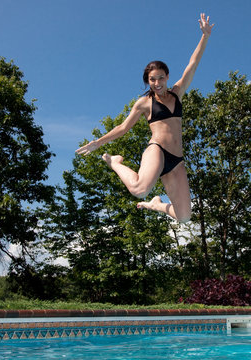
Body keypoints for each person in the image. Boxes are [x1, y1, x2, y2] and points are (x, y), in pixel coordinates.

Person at [76, 13, 214, 223]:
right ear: (148, 81)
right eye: (152, 79)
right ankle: (114, 162)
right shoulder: (144, 103)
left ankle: (157, 205)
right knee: (139, 189)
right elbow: (123, 128)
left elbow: (192, 65)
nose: (157, 82)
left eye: (160, 78)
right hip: (157, 149)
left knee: (185, 217)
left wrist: (205, 36)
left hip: (177, 161)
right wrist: (98, 142)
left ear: (167, 77)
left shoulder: (177, 93)